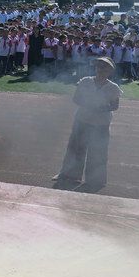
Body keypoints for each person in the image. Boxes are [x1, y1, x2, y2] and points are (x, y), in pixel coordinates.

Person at [53, 57, 122, 192]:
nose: (100, 70)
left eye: (104, 67)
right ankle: (69, 174)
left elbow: (115, 105)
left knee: (98, 151)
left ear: (110, 71)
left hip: (101, 124)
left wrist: (101, 109)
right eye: (98, 67)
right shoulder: (85, 81)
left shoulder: (113, 87)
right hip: (82, 120)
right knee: (75, 148)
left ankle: (96, 179)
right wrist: (88, 106)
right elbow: (76, 98)